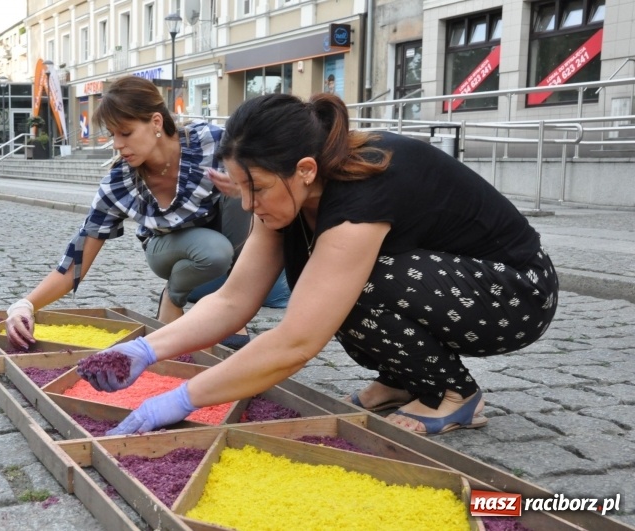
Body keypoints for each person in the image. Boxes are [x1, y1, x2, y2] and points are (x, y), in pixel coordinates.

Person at [79, 92, 559, 437]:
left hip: (516, 293)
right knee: (334, 284)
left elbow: (298, 341)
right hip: (444, 282)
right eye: (239, 187)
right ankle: (401, 380)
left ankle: (454, 394)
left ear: (305, 170)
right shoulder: (289, 189)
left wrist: (182, 399)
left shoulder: (361, 194)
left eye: (256, 188)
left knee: (353, 285)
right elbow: (232, 299)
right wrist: (145, 350)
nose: (247, 205)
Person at [5, 75, 265, 351]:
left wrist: (243, 186)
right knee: (214, 250)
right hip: (167, 248)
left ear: (156, 122)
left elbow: (270, 181)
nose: (117, 144)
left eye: (125, 133)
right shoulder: (120, 183)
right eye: (112, 134)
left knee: (243, 189)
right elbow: (76, 260)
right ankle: (172, 297)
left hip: (222, 237)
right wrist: (25, 305)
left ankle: (232, 302)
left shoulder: (210, 142)